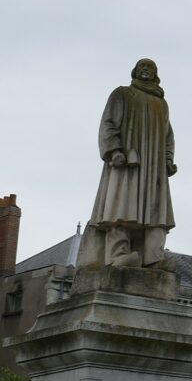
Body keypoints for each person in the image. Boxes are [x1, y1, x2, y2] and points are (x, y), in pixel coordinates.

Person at [78, 59, 177, 269]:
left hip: (154, 168)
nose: (145, 70)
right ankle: (117, 256)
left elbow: (168, 135)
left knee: (155, 212)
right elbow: (108, 123)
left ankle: (153, 256)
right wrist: (113, 150)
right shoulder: (122, 94)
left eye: (150, 68)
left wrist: (168, 159)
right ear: (134, 71)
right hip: (128, 163)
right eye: (142, 67)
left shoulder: (161, 103)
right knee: (121, 208)